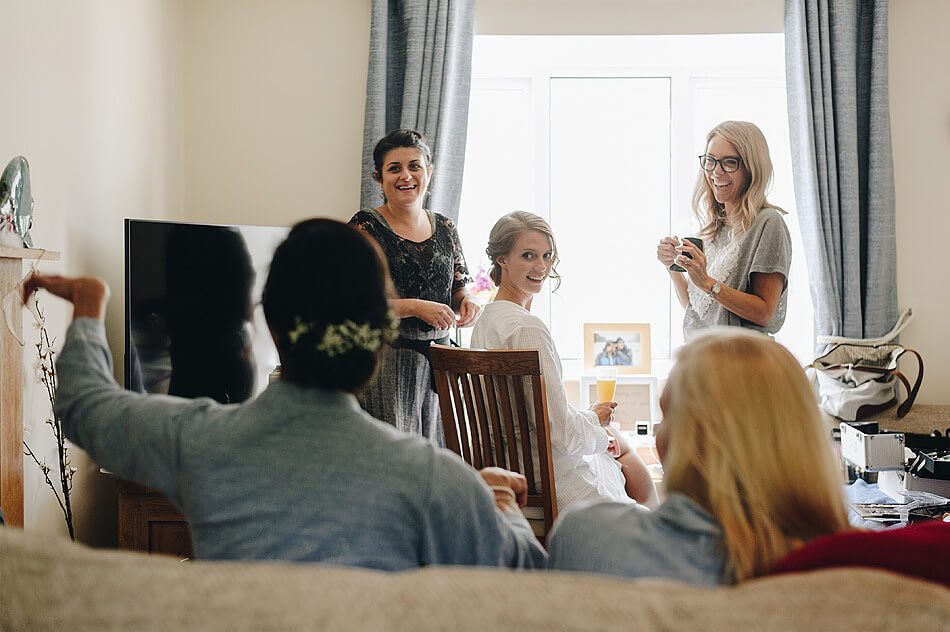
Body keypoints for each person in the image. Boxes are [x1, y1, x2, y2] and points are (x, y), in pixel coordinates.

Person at [24, 219, 544, 570]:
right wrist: (496, 499)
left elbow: (85, 407)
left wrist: (91, 307)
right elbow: (527, 569)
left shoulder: (198, 439)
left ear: (271, 326)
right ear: (382, 336)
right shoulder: (434, 480)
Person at [547, 328, 851, 585]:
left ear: (690, 440)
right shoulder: (844, 567)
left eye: (665, 416)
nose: (657, 435)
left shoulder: (589, 536)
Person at [471, 211, 657, 512]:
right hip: (548, 473)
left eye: (547, 256)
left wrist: (593, 420)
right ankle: (646, 528)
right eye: (529, 256)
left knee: (615, 440)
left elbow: (538, 415)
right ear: (502, 259)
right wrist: (597, 422)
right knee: (622, 452)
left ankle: (644, 523)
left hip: (509, 461)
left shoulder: (486, 321)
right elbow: (562, 434)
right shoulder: (526, 328)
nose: (541, 266)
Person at [350, 129, 480, 445]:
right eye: (394, 168)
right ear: (379, 179)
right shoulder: (365, 226)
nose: (406, 175)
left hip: (442, 363)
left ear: (429, 172)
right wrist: (414, 307)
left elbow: (459, 286)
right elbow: (356, 302)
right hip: (387, 364)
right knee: (395, 458)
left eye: (414, 166)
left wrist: (468, 301)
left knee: (438, 456)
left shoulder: (446, 227)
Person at [657, 121, 792, 339]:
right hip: (704, 360)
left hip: (741, 363)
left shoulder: (768, 223)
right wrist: (673, 268)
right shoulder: (712, 229)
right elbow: (699, 312)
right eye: (710, 161)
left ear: (752, 168)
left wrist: (707, 282)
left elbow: (765, 312)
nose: (716, 172)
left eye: (729, 163)